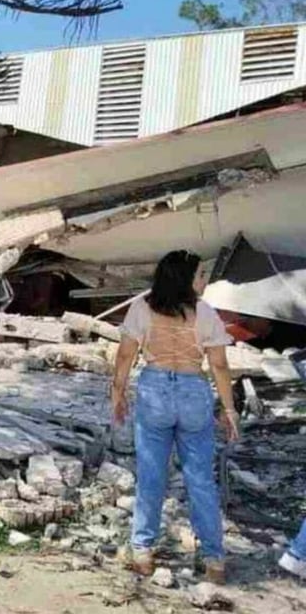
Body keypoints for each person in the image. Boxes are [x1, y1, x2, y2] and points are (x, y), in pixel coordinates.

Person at [112, 250, 239, 584]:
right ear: (185, 278)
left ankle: (142, 552)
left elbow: (126, 354)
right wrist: (229, 409)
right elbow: (220, 366)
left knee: (151, 474)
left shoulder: (142, 308)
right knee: (200, 479)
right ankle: (214, 560)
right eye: (199, 274)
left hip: (154, 389)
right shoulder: (206, 313)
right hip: (193, 390)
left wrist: (118, 393)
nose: (203, 280)